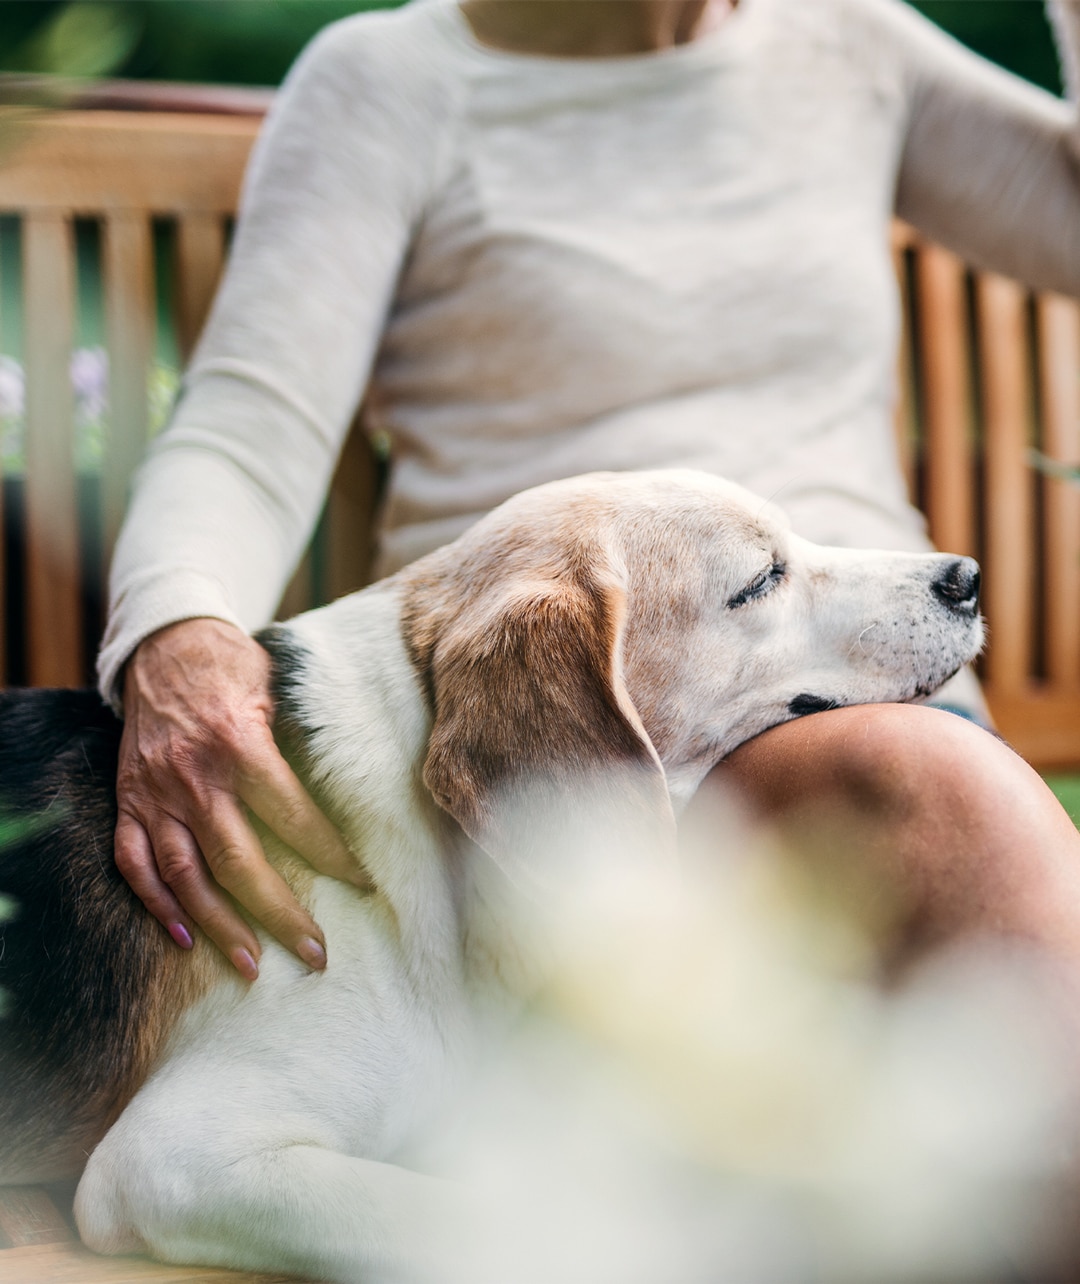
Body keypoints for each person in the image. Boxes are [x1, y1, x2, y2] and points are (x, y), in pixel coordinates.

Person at [100, 0, 1080, 982]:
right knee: (947, 791)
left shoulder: (851, 42)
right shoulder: (391, 79)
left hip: (872, 665)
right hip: (554, 725)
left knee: (940, 792)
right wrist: (179, 634)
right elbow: (249, 425)